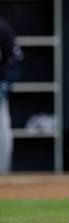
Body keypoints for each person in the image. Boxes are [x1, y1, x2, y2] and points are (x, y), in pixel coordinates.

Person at [0, 18, 22, 173]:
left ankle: (3, 175)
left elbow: (14, 62)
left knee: (3, 131)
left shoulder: (2, 29)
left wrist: (4, 87)